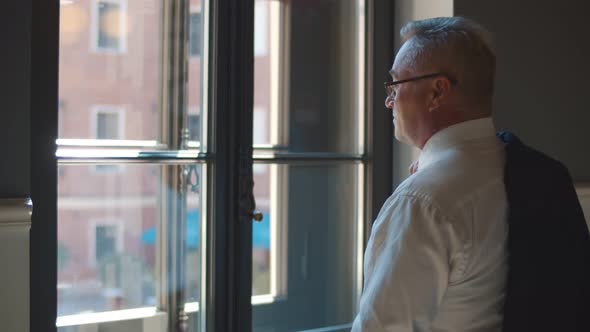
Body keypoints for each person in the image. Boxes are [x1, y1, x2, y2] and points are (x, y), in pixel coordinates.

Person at [352, 17, 508, 331]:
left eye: (395, 85)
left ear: (437, 92)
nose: (388, 101)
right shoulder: (526, 171)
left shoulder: (423, 203)